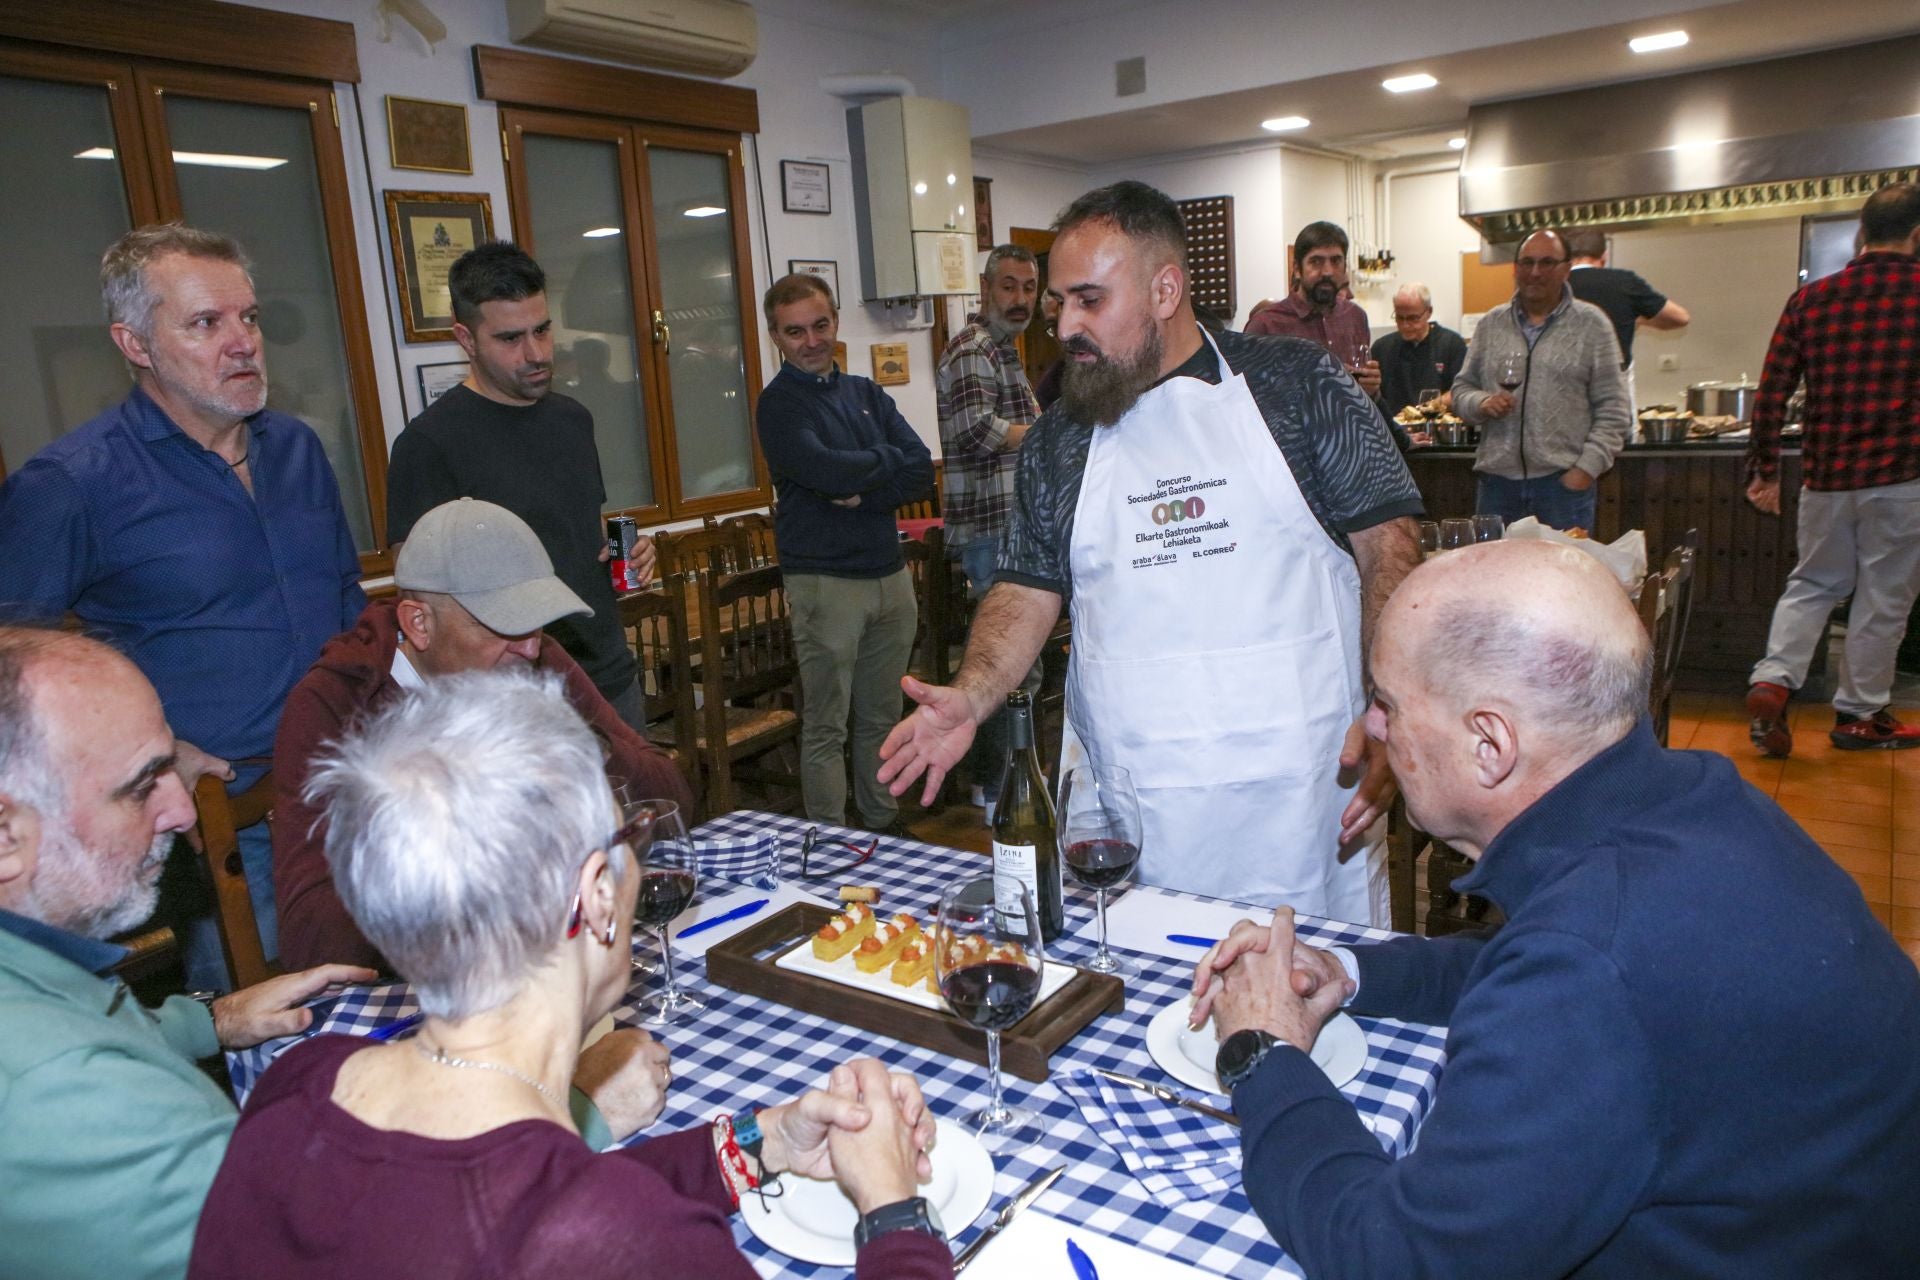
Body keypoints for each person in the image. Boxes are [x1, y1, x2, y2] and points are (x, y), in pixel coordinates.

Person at [1192, 540, 1920, 1277]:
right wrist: (1351, 972)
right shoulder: (1693, 800)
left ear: (1490, 743)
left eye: (1386, 703)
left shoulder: (1590, 962)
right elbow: (1531, 965)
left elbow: (1392, 1256)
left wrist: (1260, 1052)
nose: (1374, 729)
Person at [189, 671, 954, 1279]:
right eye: (628, 837)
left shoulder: (297, 1086)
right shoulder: (619, 1238)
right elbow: (581, 1222)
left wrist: (764, 1142)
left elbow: (505, 1190)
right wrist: (892, 1210)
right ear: (594, 898)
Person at [881, 181, 1423, 924]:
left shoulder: (1299, 386)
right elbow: (1026, 587)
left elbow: (1388, 551)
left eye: (1089, 300)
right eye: (1059, 304)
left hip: (1300, 789)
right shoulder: (1060, 434)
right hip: (1134, 788)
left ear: (1166, 289)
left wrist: (1394, 704)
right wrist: (973, 693)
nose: (1067, 323)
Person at [0, 224, 366, 985]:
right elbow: (15, 675)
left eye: (250, 318)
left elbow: (343, 597)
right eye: (207, 323)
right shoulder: (70, 483)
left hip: (350, 786)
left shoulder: (298, 449)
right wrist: (160, 756)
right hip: (219, 821)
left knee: (388, 998)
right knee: (270, 1034)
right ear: (135, 344)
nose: (243, 344)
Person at [0, 626, 379, 1280]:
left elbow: (70, 1015)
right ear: (8, 836)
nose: (182, 810)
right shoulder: (74, 1100)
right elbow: (354, 1257)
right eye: (145, 782)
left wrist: (212, 1017)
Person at [274, 498, 691, 972]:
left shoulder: (535, 660)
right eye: (503, 624)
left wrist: (588, 746)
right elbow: (310, 933)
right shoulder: (335, 706)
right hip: (417, 990)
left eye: (536, 620)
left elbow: (671, 802)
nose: (530, 644)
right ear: (419, 623)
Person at [383, 241, 657, 734]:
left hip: (607, 678)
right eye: (510, 338)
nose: (535, 354)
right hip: (510, 701)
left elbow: (580, 528)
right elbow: (421, 599)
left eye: (542, 330)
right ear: (466, 339)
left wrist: (632, 554)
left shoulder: (573, 419)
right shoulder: (427, 445)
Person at [1744, 183, 1920, 755]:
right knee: (1883, 598)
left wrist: (1765, 469)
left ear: (1862, 233)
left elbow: (1771, 390)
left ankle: (1773, 680)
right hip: (1902, 477)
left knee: (1813, 585)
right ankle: (1860, 715)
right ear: (1917, 235)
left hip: (1826, 478)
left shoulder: (1812, 299)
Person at [756, 274, 934, 833]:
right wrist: (881, 465)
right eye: (795, 332)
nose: (811, 341)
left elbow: (921, 468)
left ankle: (881, 824)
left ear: (835, 321)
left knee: (881, 715)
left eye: (820, 325)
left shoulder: (865, 393)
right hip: (824, 583)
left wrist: (862, 489)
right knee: (828, 724)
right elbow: (824, 470)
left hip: (889, 575)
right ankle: (830, 838)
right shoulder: (778, 406)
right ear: (775, 337)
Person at [936, 244, 1045, 815]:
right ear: (985, 289)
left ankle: (1007, 783)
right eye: (1009, 286)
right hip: (988, 535)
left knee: (1020, 667)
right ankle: (999, 791)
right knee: (1007, 666)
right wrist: (1049, 434)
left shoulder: (1005, 353)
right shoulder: (972, 349)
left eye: (1029, 288)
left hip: (1010, 531)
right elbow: (979, 433)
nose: (1020, 299)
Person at [1450, 229, 1632, 531]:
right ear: (1515, 268)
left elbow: (1614, 410)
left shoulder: (1592, 325)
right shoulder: (1491, 324)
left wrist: (1584, 471)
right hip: (1497, 487)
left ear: (1566, 268)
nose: (1535, 272)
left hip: (1562, 489)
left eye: (1547, 262)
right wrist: (1482, 403)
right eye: (1527, 262)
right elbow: (1460, 391)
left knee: (1563, 577)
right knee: (1493, 577)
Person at [1244, 221, 1382, 401]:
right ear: (1297, 269)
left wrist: (1372, 389)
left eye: (1336, 261)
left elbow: (1364, 396)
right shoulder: (1266, 325)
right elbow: (1247, 399)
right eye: (1316, 261)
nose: (1327, 271)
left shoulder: (1355, 317)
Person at [1565, 227, 1690, 399]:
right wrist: (1638, 319)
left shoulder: (1554, 287)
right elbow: (1680, 318)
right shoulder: (1624, 282)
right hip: (1614, 391)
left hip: (1565, 390)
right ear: (1604, 256)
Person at [1371, 282, 1467, 419]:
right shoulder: (1382, 348)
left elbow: (1460, 391)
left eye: (1413, 318)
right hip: (1395, 431)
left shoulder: (1452, 344)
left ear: (1429, 312)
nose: (1405, 325)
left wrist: (1423, 410)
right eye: (1399, 317)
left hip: (1437, 427)